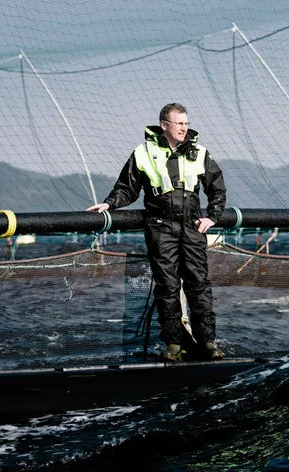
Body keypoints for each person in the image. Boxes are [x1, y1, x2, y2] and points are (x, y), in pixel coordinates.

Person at [87, 103, 226, 362]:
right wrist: (109, 203)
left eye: (186, 122)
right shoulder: (143, 153)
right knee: (168, 287)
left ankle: (208, 343)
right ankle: (174, 345)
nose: (184, 127)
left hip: (192, 228)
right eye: (179, 123)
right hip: (160, 229)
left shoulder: (200, 152)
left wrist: (213, 217)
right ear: (165, 125)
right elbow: (127, 188)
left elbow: (217, 188)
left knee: (199, 285)